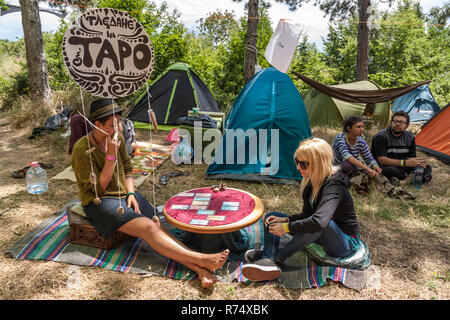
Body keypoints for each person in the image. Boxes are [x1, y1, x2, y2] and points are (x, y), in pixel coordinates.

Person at [71, 98, 229, 288]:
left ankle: (200, 269)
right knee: (148, 228)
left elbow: (128, 170)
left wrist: (130, 194)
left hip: (123, 195)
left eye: (119, 122)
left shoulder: (118, 139)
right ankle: (202, 259)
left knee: (156, 223)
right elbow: (100, 187)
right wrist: (111, 155)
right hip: (99, 202)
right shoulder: (81, 150)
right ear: (97, 125)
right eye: (112, 125)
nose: (119, 128)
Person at [241, 138, 362, 281]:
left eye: (304, 164)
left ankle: (277, 258)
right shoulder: (311, 181)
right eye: (297, 162)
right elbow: (307, 214)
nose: (298, 168)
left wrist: (286, 227)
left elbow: (319, 222)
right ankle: (269, 258)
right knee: (272, 216)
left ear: (319, 163)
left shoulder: (334, 185)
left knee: (320, 224)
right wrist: (286, 219)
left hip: (344, 244)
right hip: (321, 234)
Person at [371, 111, 432, 185]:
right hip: (385, 165)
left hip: (402, 165)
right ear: (391, 122)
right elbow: (382, 160)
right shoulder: (381, 136)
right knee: (391, 170)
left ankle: (404, 181)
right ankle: (414, 178)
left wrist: (418, 162)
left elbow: (410, 158)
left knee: (426, 167)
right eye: (395, 121)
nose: (397, 124)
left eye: (401, 122)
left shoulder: (410, 137)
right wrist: (405, 163)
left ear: (407, 125)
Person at [68, 109, 137, 156]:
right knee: (76, 118)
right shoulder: (100, 123)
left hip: (108, 145)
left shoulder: (128, 124)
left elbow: (132, 144)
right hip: (98, 132)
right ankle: (76, 154)